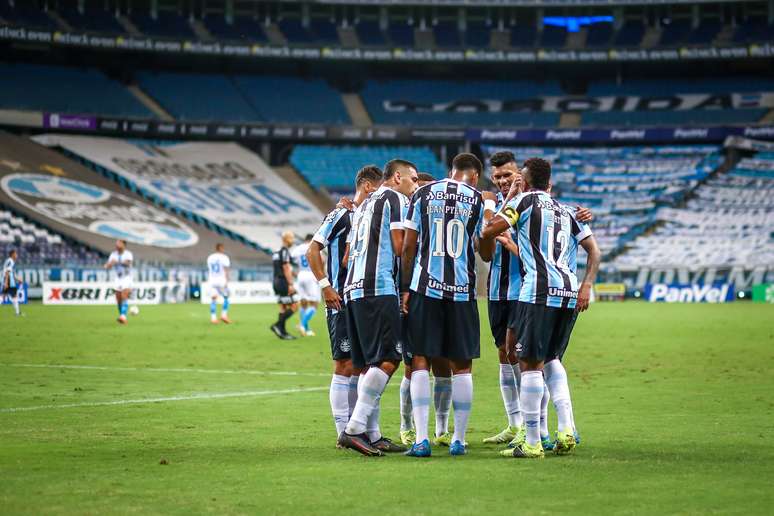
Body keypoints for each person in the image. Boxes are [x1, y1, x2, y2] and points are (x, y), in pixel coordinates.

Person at [481, 157, 601, 459]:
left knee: (529, 364)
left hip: (537, 291)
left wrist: (508, 199)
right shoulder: (566, 210)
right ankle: (566, 429)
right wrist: (586, 285)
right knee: (551, 359)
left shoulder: (523, 202)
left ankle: (532, 441)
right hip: (568, 291)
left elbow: (489, 229)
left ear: (525, 178)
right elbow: (593, 250)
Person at [402, 153, 489, 457]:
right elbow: (486, 250)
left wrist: (405, 288)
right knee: (462, 365)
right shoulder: (477, 198)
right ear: (474, 175)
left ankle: (422, 439)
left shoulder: (423, 193)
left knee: (420, 361)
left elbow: (409, 247)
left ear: (450, 171)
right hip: (462, 291)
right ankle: (459, 440)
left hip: (425, 288)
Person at [337, 159, 417, 457]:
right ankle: (354, 429)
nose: (413, 186)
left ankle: (372, 434)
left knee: (367, 364)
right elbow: (401, 247)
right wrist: (407, 286)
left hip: (354, 289)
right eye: (411, 179)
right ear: (397, 177)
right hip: (378, 287)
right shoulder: (394, 198)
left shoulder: (364, 205)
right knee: (388, 359)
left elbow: (346, 259)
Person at [307, 165, 383, 444]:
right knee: (344, 364)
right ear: (366, 186)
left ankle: (363, 430)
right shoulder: (341, 214)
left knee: (364, 366)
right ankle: (343, 432)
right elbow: (312, 248)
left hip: (361, 299)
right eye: (378, 189)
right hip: (340, 300)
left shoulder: (368, 215)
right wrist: (325, 285)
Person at [398, 172, 455, 447]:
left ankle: (442, 428)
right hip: (415, 294)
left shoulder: (438, 220)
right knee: (412, 366)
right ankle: (406, 425)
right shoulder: (403, 214)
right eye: (416, 189)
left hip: (442, 294)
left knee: (443, 363)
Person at [270, 231, 298, 340]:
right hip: (283, 282)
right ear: (287, 239)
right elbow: (286, 268)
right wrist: (290, 284)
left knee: (283, 307)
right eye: (292, 238)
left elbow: (281, 267)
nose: (293, 241)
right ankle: (277, 325)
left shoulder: (276, 252)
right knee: (295, 305)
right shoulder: (285, 251)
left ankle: (282, 332)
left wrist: (293, 273)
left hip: (276, 281)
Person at [291, 234, 320, 337]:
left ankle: (306, 330)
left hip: (301, 275)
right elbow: (319, 262)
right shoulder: (313, 247)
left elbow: (291, 260)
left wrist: (293, 272)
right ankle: (302, 324)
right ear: (311, 239)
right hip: (310, 275)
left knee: (303, 302)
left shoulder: (298, 248)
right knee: (314, 304)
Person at [104, 239, 133, 325]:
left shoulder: (128, 254)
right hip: (118, 278)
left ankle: (123, 316)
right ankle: (122, 316)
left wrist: (116, 262)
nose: (117, 245)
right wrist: (108, 265)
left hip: (127, 277)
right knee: (118, 298)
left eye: (119, 243)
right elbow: (107, 266)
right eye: (116, 243)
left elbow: (128, 263)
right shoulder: (113, 254)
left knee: (124, 295)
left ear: (124, 245)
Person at [206, 243, 232, 324]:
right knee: (226, 297)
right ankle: (224, 315)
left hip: (212, 280)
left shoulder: (210, 257)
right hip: (221, 280)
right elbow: (226, 269)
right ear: (221, 248)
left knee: (213, 299)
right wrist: (227, 280)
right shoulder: (224, 257)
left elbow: (210, 269)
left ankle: (213, 318)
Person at [2, 249, 22, 316]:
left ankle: (17, 312)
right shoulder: (10, 261)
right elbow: (7, 272)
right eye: (16, 254)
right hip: (10, 280)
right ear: (12, 254)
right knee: (14, 296)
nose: (17, 255)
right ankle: (17, 313)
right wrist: (6, 282)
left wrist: (18, 279)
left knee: (3, 296)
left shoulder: (9, 261)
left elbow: (11, 272)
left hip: (7, 279)